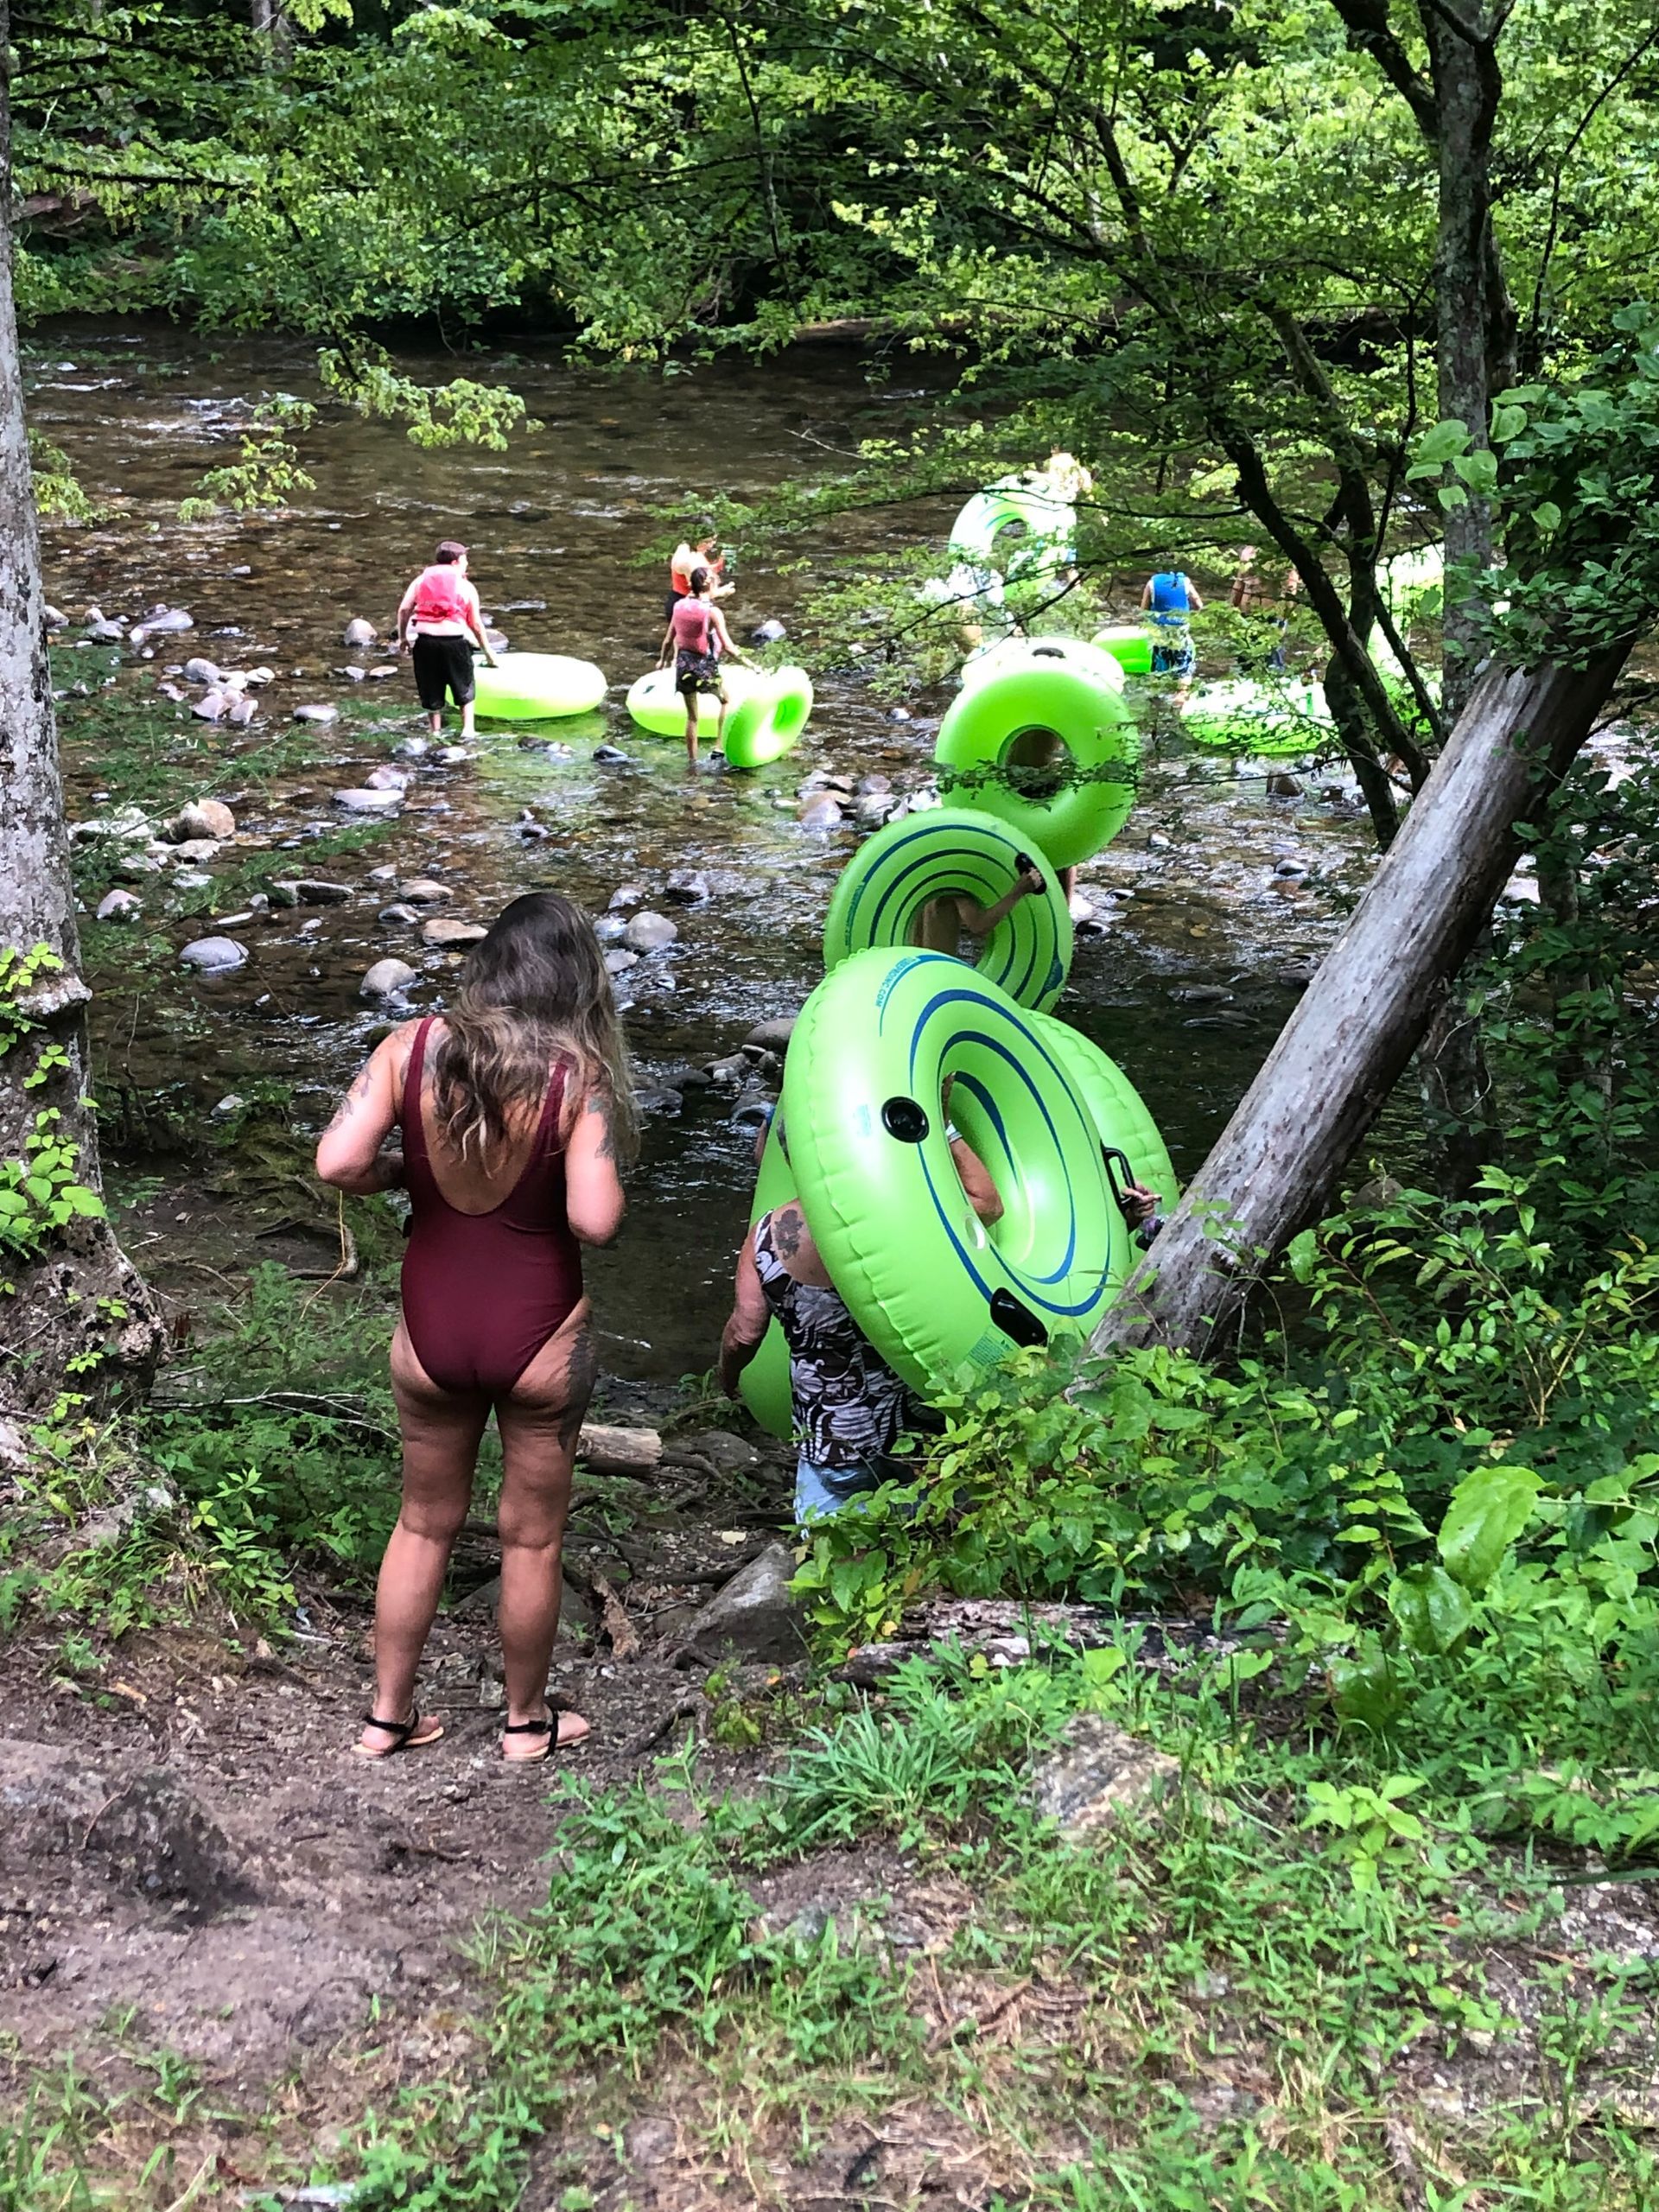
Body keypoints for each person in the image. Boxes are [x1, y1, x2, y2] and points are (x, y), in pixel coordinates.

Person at [315, 892, 633, 1764]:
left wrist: (403, 1172)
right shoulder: (579, 1079)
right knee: (530, 1536)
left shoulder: (408, 1048)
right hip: (540, 1334)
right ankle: (525, 1726)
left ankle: (387, 1718)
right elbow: (597, 1221)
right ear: (577, 981)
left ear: (486, 967)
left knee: (422, 1522)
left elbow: (336, 1161)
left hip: (431, 1329)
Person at [718, 1085, 1005, 1523]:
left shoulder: (768, 1233)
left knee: (830, 1559)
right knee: (922, 1543)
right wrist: (939, 1126)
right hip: (918, 1432)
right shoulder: (901, 1212)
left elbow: (745, 1331)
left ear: (790, 1157)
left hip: (834, 1439)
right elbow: (987, 1203)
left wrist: (729, 1379)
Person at [394, 540, 499, 740]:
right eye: (465, 560)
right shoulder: (465, 586)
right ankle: (468, 729)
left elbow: (404, 609)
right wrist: (488, 653)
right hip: (455, 643)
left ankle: (435, 732)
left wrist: (403, 638)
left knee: (429, 686)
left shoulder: (420, 581)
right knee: (464, 684)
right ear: (456, 561)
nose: (467, 564)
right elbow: (476, 623)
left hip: (426, 643)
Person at [658, 565, 753, 771]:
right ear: (710, 584)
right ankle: (718, 747)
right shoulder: (713, 612)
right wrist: (751, 664)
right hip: (704, 666)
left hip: (683, 664)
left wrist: (662, 661)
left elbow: (668, 640)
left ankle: (692, 763)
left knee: (692, 717)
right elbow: (728, 647)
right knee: (725, 700)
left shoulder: (679, 606)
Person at [912, 856, 1049, 956]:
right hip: (938, 968)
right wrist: (1018, 891)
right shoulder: (954, 878)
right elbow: (979, 926)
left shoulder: (921, 870)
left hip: (911, 965)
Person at [1140, 567, 1205, 682]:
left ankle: (1159, 694)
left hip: (1160, 634)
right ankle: (1181, 694)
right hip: (1180, 633)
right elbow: (1199, 605)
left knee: (1160, 671)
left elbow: (1144, 610)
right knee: (1184, 670)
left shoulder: (1151, 584)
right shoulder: (1185, 582)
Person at [665, 520, 734, 620]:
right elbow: (700, 593)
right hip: (687, 608)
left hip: (688, 604)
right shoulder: (688, 561)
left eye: (714, 539)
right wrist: (723, 592)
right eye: (707, 542)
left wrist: (719, 564)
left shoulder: (686, 547)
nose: (712, 545)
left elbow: (702, 570)